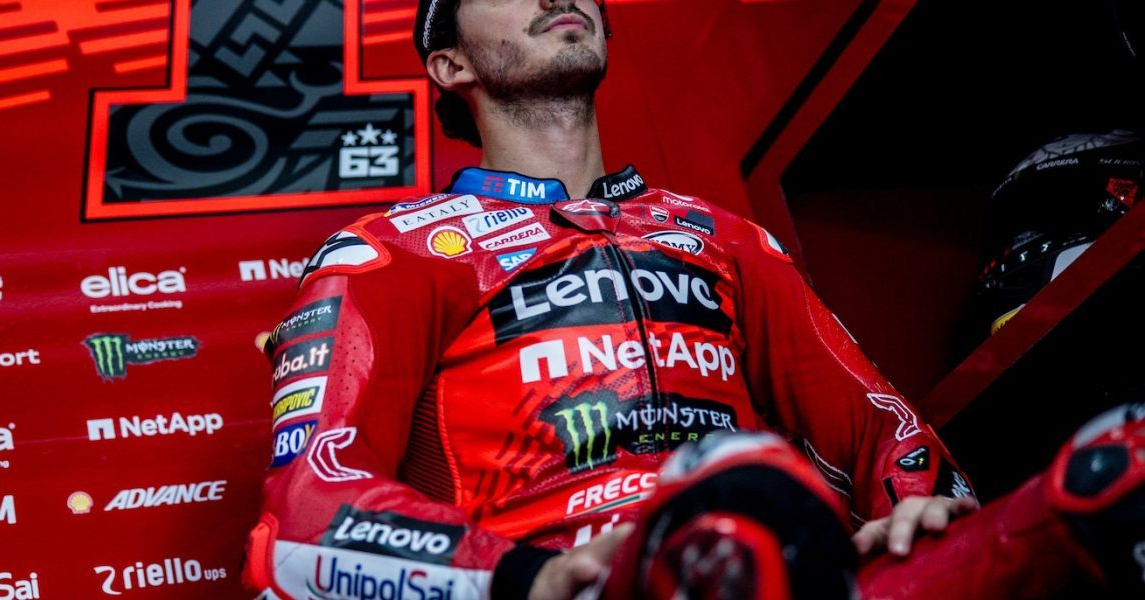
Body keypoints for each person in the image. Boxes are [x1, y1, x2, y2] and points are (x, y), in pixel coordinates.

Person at [244, 1, 1142, 598]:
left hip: (796, 560)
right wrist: (528, 578)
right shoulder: (389, 251)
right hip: (579, 578)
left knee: (1118, 473)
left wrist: (924, 508)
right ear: (447, 64)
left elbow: (882, 427)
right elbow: (306, 509)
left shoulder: (722, 237)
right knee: (733, 505)